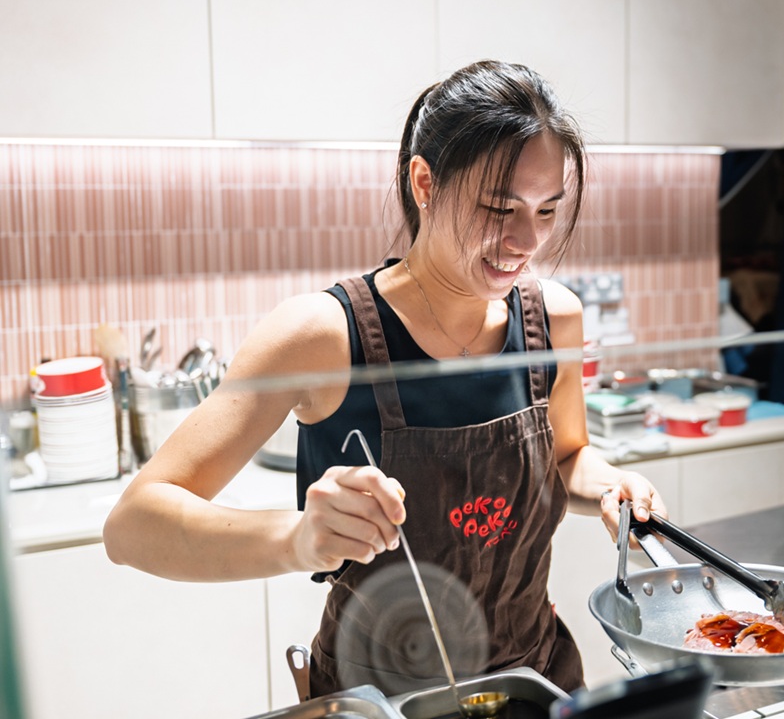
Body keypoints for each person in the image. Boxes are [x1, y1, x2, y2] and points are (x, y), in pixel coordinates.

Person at [103, 60, 667, 697]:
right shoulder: (320, 334)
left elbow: (567, 457)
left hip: (532, 682)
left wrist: (612, 485)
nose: (523, 241)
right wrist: (295, 539)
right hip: (383, 702)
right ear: (425, 182)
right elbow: (132, 527)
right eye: (498, 207)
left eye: (546, 211)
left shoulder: (552, 318)